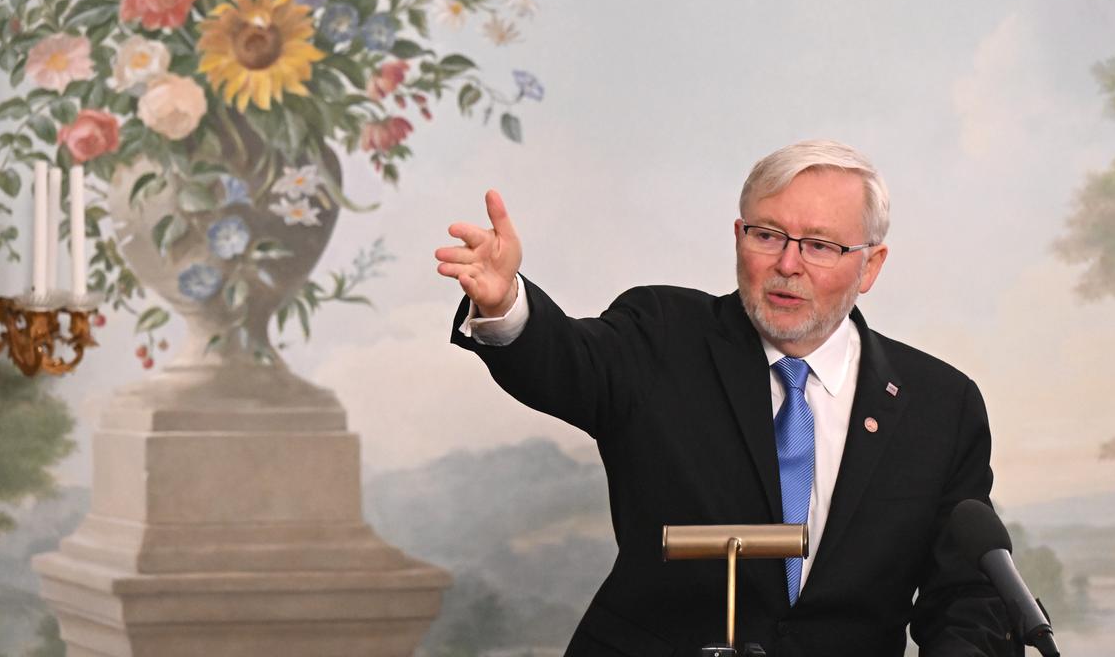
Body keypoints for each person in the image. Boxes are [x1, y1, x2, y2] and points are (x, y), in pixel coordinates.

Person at [436, 140, 1018, 657]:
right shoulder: (662, 333)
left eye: (819, 245)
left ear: (870, 266)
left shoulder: (940, 406)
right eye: (768, 235)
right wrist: (505, 303)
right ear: (739, 237)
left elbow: (969, 593)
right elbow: (565, 363)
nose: (788, 265)